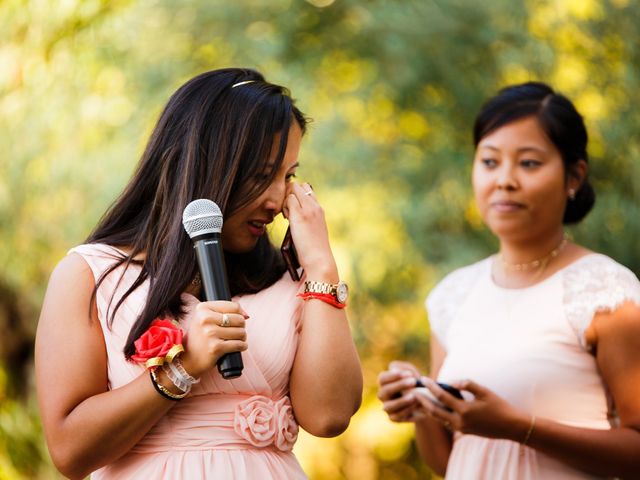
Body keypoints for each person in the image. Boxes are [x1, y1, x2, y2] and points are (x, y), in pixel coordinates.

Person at [35, 68, 363, 479]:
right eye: (263, 176)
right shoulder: (91, 274)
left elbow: (329, 416)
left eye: (288, 176)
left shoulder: (291, 280)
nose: (278, 199)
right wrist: (182, 367)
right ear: (205, 162)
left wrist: (321, 267)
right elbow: (69, 451)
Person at [377, 82, 640, 479]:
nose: (504, 180)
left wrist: (519, 428)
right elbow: (450, 461)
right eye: (490, 162)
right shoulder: (453, 294)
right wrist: (420, 408)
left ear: (574, 176)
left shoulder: (605, 291)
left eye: (529, 163)